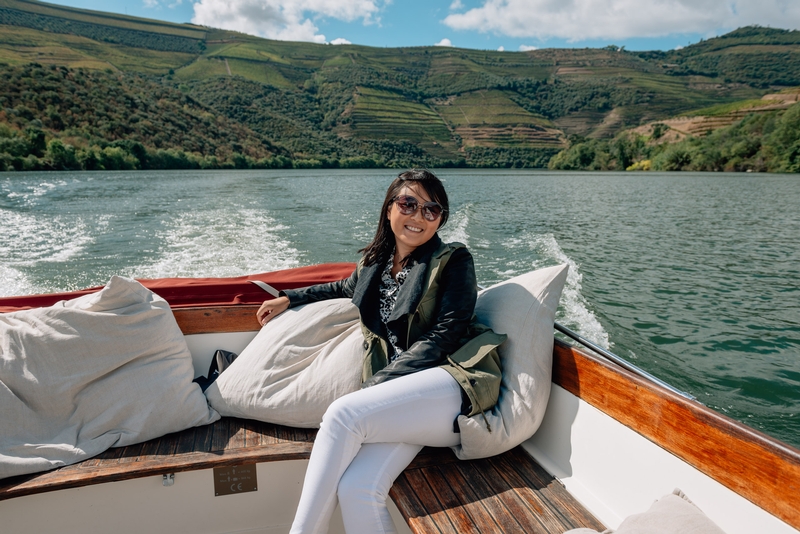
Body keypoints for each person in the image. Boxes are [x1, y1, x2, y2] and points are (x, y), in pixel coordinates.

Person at [256, 169, 504, 534]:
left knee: (342, 414)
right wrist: (290, 298)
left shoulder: (454, 262)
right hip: (404, 396)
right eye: (408, 204)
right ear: (389, 209)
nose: (418, 216)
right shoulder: (375, 265)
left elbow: (445, 336)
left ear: (440, 220)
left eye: (430, 210)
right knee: (357, 488)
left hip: (452, 380)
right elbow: (341, 287)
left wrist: (377, 385)